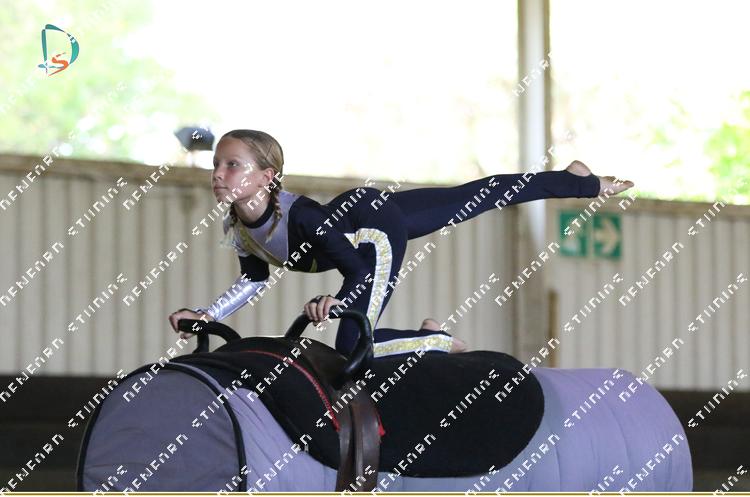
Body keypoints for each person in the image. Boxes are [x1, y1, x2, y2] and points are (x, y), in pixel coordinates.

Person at [168, 129, 634, 359]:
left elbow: (358, 270)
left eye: (232, 165)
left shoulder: (303, 217)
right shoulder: (240, 226)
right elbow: (253, 279)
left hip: (372, 231)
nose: (218, 174)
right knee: (471, 196)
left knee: (352, 348)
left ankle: (436, 340)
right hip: (362, 213)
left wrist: (337, 303)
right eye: (217, 164)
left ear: (267, 177)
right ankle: (575, 180)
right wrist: (208, 315)